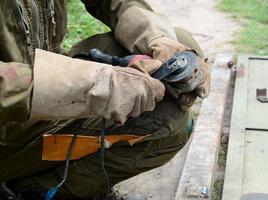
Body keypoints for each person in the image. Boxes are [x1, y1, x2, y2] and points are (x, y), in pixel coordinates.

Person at [0, 0, 211, 199]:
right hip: (9, 115)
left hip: (43, 76)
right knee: (169, 124)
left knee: (180, 42)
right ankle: (35, 188)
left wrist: (156, 39)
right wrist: (96, 85)